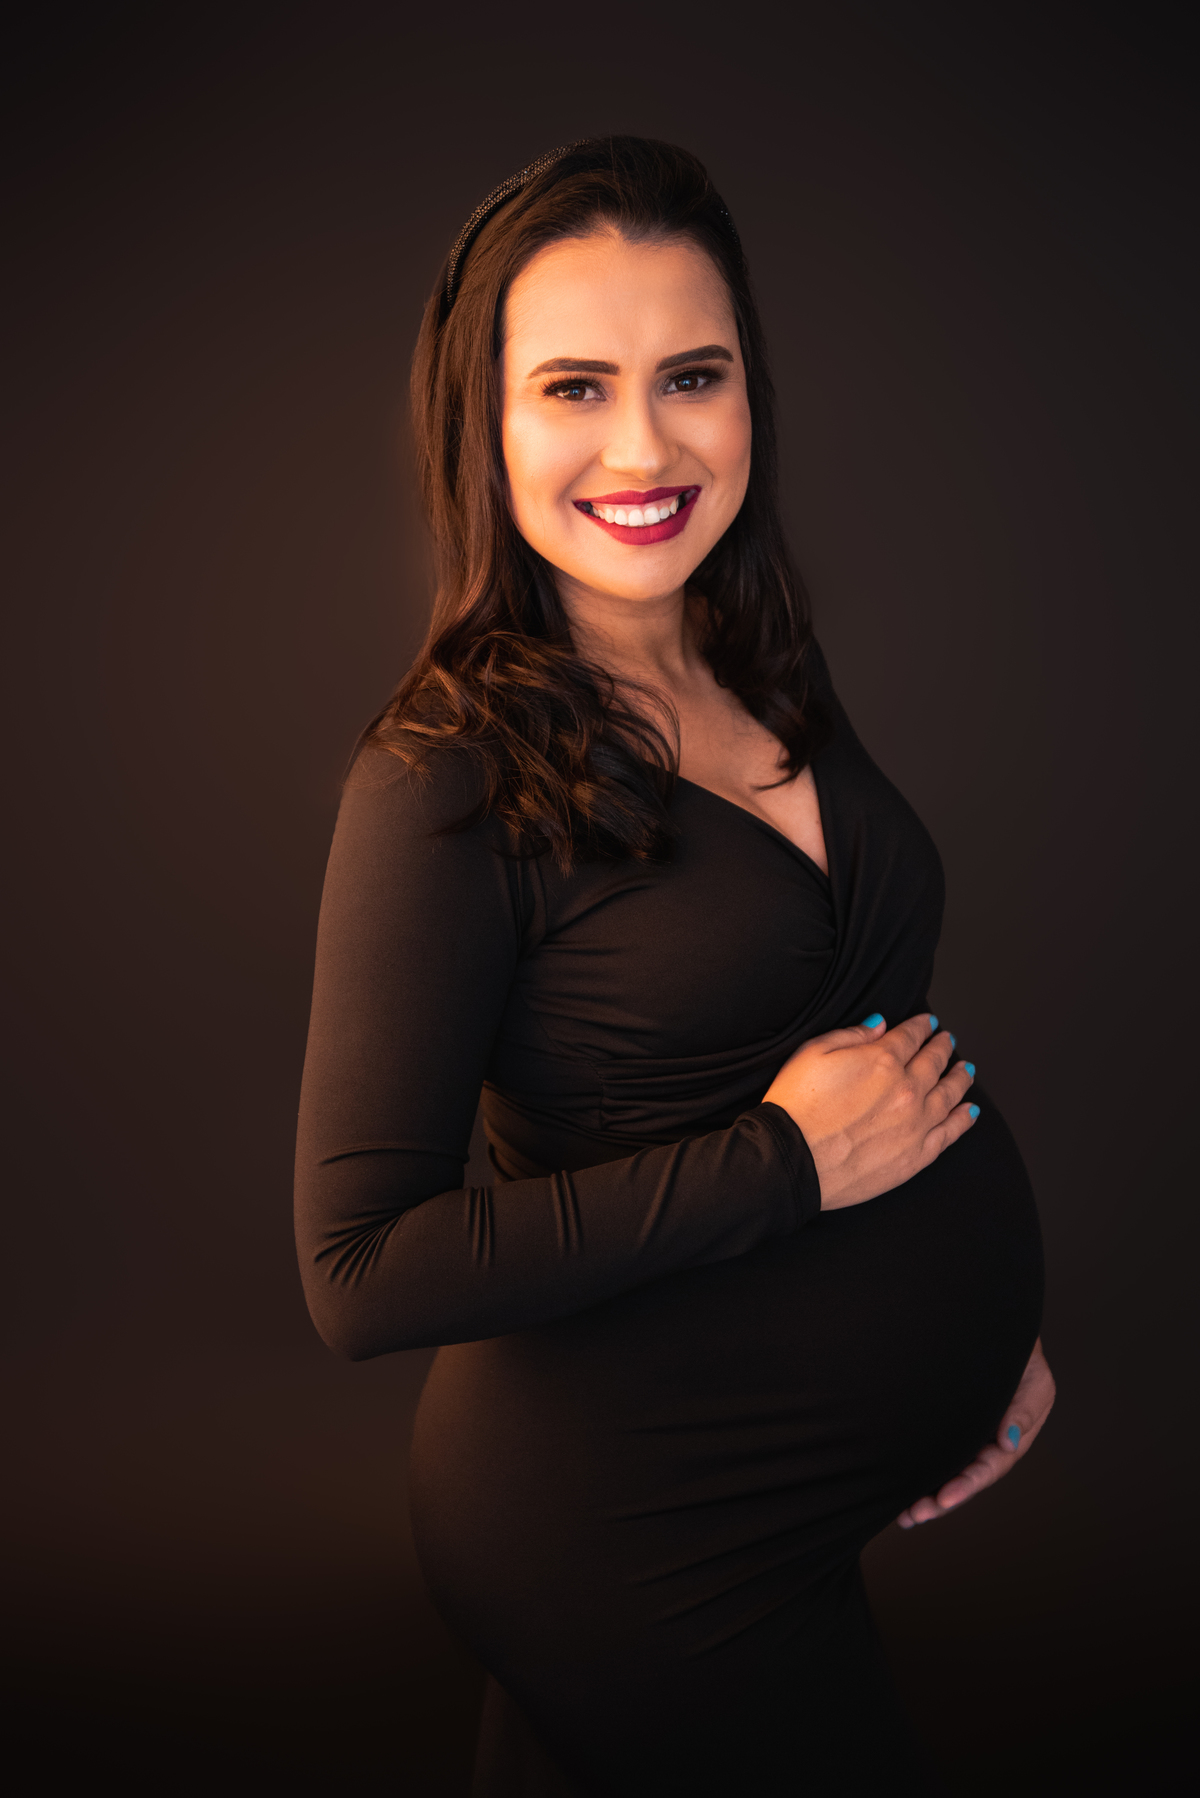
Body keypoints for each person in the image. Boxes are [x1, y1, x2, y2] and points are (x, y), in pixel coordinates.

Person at [294, 137, 1055, 1796]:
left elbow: (850, 1024)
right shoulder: (442, 775)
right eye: (574, 386)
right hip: (630, 1526)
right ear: (483, 423)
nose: (644, 446)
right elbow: (358, 1271)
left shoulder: (754, 652)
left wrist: (989, 1319)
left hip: (778, 1495)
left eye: (690, 376)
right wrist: (784, 1163)